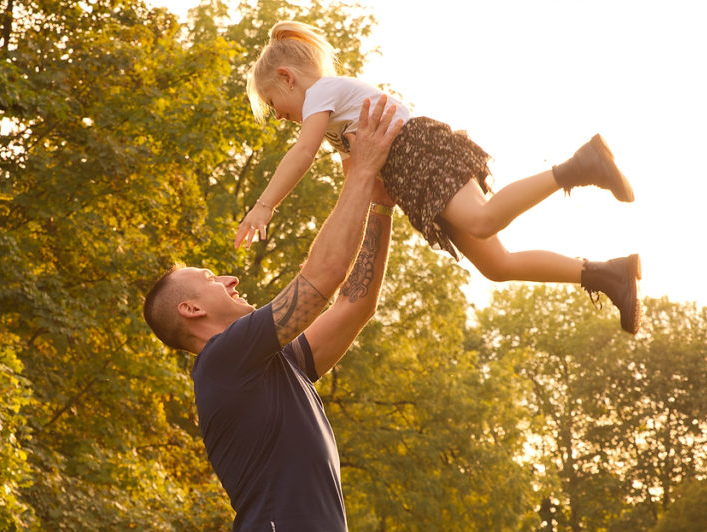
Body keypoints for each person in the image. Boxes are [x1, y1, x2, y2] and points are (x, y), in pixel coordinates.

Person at [144, 96, 402, 532]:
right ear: (191, 310)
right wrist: (363, 169)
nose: (232, 279)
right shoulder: (223, 358)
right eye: (214, 279)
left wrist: (380, 203)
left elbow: (356, 302)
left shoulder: (269, 368)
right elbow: (323, 277)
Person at [236, 21, 642, 335]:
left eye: (273, 105)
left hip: (418, 152)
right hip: (408, 176)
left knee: (483, 219)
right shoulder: (333, 123)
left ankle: (582, 165)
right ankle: (606, 275)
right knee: (497, 266)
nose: (279, 116)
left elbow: (301, 153)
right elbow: (356, 182)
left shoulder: (322, 93)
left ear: (288, 77)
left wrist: (263, 206)